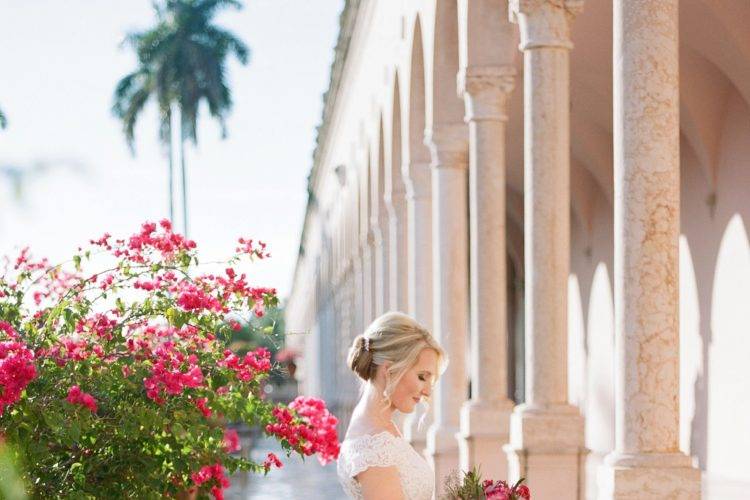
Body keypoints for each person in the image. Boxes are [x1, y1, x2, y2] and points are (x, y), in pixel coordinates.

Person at [336, 311, 446, 500]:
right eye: (422, 377)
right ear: (388, 370)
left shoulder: (378, 427)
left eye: (431, 380)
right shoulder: (373, 449)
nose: (428, 391)